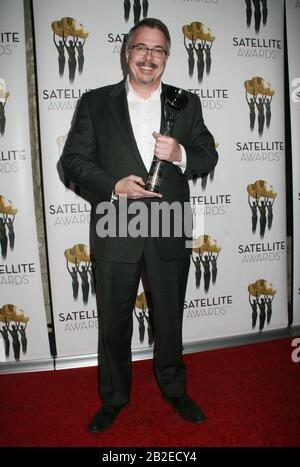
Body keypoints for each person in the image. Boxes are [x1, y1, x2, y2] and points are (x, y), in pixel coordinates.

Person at [61, 17, 218, 434]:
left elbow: (208, 155)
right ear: (127, 53)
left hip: (170, 222)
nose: (149, 57)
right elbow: (71, 162)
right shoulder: (95, 102)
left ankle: (174, 389)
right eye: (141, 48)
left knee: (169, 316)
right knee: (113, 318)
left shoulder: (187, 102)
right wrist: (113, 185)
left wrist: (181, 152)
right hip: (116, 217)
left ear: (167, 57)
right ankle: (113, 398)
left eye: (158, 50)